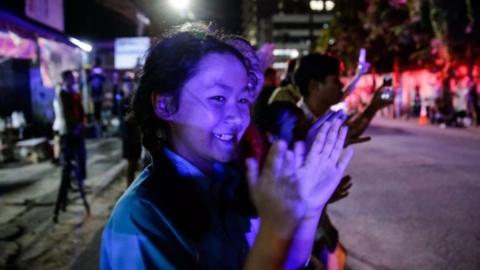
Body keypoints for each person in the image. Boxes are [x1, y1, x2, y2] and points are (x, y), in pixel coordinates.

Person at [100, 23, 353, 270]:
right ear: (166, 104)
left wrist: (309, 209)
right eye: (218, 98)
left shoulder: (230, 181)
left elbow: (288, 263)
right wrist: (275, 231)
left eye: (242, 99)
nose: (238, 116)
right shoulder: (139, 218)